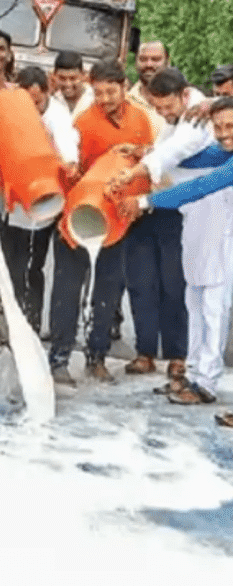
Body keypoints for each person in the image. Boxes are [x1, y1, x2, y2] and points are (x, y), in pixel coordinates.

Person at [112, 97, 233, 407]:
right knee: (196, 307)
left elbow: (201, 186)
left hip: (225, 247)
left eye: (230, 126)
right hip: (206, 242)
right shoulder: (221, 152)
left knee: (214, 313)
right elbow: (189, 160)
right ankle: (191, 374)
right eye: (218, 127)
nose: (223, 133)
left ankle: (206, 382)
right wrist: (144, 161)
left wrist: (144, 201)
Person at [46, 60, 154, 386]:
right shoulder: (84, 122)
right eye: (98, 92)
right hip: (79, 214)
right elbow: (70, 164)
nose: (104, 98)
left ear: (124, 86)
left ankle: (97, 357)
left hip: (116, 220)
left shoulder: (140, 119)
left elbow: (149, 160)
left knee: (108, 289)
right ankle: (60, 358)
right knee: (67, 288)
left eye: (111, 91)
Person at [121, 68, 204, 382]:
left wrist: (135, 172)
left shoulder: (198, 117)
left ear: (184, 95)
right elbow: (162, 147)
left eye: (168, 107)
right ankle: (144, 352)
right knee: (141, 282)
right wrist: (144, 153)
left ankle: (177, 355)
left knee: (174, 285)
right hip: (148, 203)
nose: (164, 113)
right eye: (158, 108)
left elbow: (175, 152)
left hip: (178, 210)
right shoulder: (172, 118)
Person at [1, 66, 79, 333]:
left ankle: (30, 325)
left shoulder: (57, 115)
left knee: (31, 267)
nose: (33, 108)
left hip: (42, 201)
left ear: (47, 92)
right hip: (11, 200)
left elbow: (67, 141)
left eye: (38, 102)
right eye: (28, 102)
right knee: (9, 265)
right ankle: (8, 323)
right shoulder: (11, 109)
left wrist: (69, 162)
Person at [129, 41, 169, 136]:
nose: (149, 65)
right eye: (143, 59)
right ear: (136, 62)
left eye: (155, 59)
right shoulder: (123, 101)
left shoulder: (183, 100)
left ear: (167, 62)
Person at [51, 51, 94, 119]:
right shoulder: (52, 101)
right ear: (54, 76)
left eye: (73, 78)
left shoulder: (94, 100)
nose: (68, 84)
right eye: (62, 78)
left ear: (83, 75)